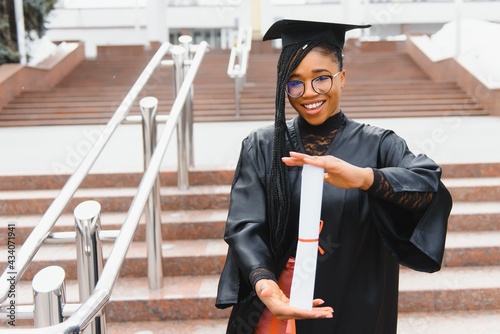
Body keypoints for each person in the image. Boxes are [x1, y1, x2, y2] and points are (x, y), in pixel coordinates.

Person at [215, 19, 452, 334]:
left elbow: (428, 187)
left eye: (321, 79)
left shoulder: (379, 144)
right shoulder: (263, 146)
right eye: (295, 82)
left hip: (357, 304)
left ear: (342, 78)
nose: (308, 93)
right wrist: (268, 291)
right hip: (275, 307)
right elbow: (244, 227)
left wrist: (365, 178)